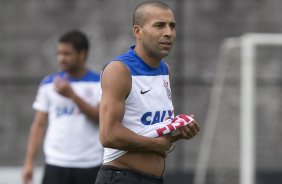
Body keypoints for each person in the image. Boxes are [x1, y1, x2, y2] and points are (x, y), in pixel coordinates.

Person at [95, 1, 200, 184]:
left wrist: (176, 133)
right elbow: (108, 134)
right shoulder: (119, 70)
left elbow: (148, 130)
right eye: (159, 25)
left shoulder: (164, 68)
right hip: (121, 177)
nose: (168, 32)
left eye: (172, 26)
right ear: (138, 32)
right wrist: (158, 145)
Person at [22, 30, 103, 184]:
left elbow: (101, 118)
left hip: (90, 163)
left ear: (82, 54)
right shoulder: (48, 83)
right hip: (56, 163)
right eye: (59, 53)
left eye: (67, 54)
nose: (61, 58)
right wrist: (29, 162)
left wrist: (72, 96)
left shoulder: (98, 82)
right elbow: (38, 125)